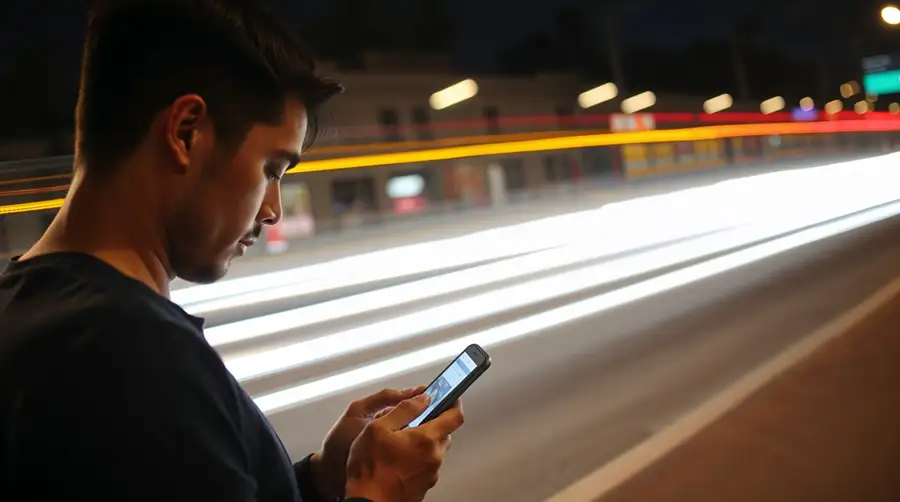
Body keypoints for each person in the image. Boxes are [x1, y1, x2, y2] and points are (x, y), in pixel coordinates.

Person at [0, 1, 465, 501]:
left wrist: (322, 479)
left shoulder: (24, 305)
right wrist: (378, 493)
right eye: (271, 169)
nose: (273, 211)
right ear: (185, 133)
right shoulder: (133, 359)